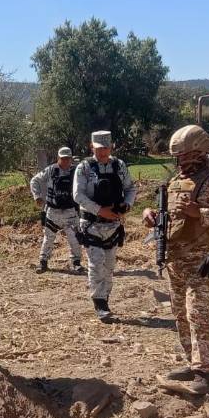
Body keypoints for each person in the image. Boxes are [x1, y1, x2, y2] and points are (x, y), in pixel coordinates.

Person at [142, 125, 209, 394]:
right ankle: (192, 362)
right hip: (176, 259)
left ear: (200, 152)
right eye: (180, 156)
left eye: (186, 155)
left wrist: (202, 213)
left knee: (196, 313)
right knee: (180, 315)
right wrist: (151, 214)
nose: (182, 161)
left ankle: (205, 371)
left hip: (202, 260)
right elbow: (170, 216)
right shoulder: (176, 181)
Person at [73, 130, 136, 322]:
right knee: (96, 263)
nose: (103, 153)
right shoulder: (84, 167)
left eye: (106, 148)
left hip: (113, 224)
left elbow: (130, 188)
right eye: (99, 149)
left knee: (109, 265)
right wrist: (99, 210)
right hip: (92, 223)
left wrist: (127, 204)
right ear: (92, 147)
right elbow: (78, 195)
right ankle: (99, 302)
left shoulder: (119, 166)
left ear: (112, 147)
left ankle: (105, 296)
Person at [30, 147, 84, 274]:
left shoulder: (77, 171)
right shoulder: (50, 170)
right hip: (53, 212)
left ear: (71, 159)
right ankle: (43, 263)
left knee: (75, 239)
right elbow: (35, 181)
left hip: (71, 212)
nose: (65, 161)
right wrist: (37, 196)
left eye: (67, 158)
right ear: (58, 158)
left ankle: (76, 263)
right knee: (48, 238)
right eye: (62, 158)